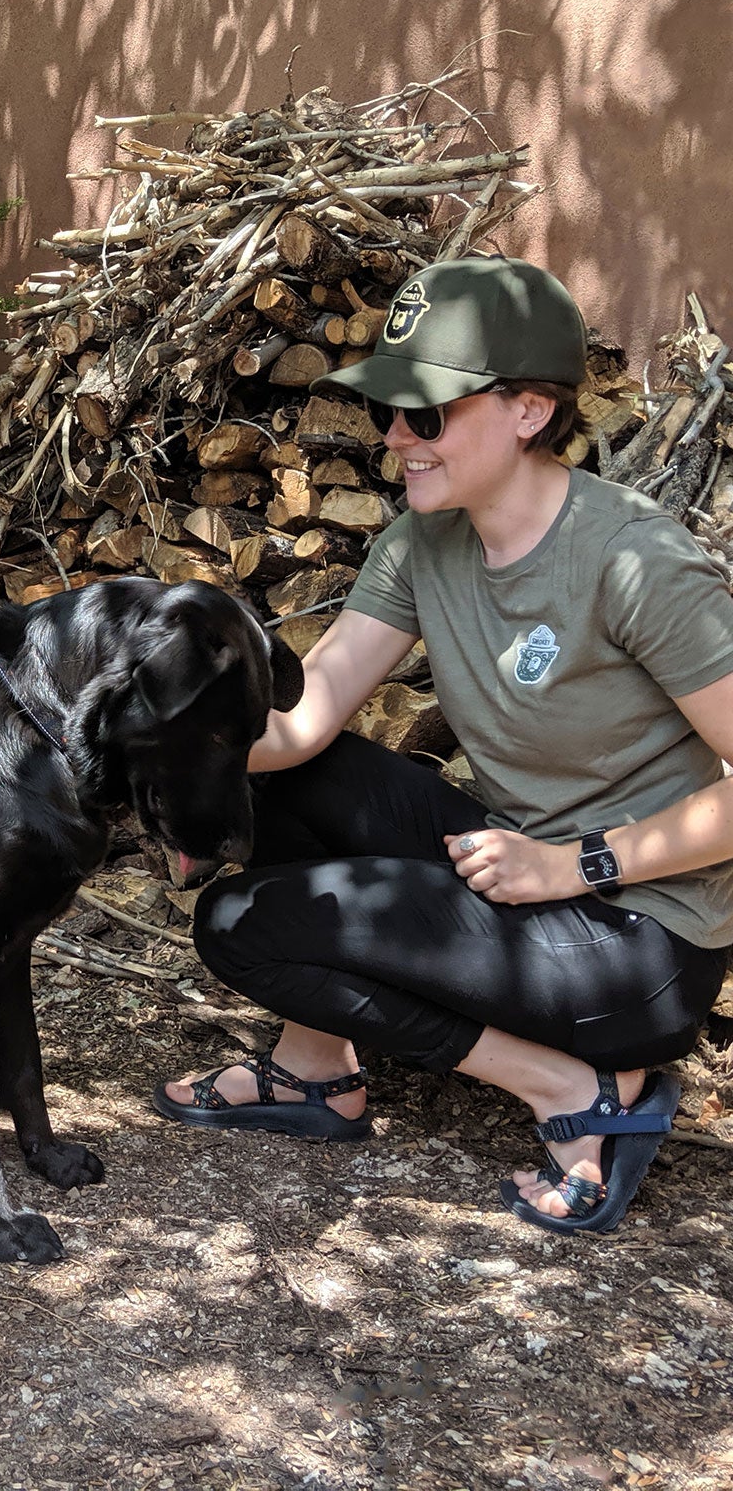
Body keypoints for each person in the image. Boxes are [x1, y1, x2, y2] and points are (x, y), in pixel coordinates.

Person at [156, 256, 733, 1235]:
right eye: (388, 410)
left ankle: (569, 1085)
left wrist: (571, 863)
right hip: (520, 871)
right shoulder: (423, 541)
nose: (392, 438)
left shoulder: (636, 565)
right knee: (286, 786)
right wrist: (174, 745)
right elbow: (302, 725)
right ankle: (315, 1072)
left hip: (641, 942)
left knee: (239, 925)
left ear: (528, 409)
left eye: (424, 413)